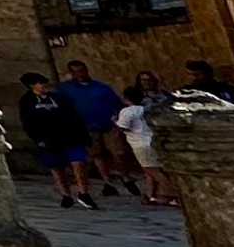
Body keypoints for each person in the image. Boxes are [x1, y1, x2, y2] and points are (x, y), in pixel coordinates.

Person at [16, 72, 97, 208]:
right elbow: (27, 122)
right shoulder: (27, 102)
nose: (43, 86)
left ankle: (84, 193)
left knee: (78, 163)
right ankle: (65, 194)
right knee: (57, 168)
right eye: (40, 83)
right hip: (48, 140)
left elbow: (74, 116)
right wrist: (37, 138)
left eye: (44, 83)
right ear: (32, 86)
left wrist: (84, 136)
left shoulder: (59, 99)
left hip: (70, 137)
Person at [59, 59, 127, 187]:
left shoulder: (101, 87)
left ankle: (125, 176)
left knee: (118, 152)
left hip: (109, 125)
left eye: (82, 70)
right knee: (96, 154)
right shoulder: (65, 89)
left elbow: (117, 104)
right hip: (87, 127)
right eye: (76, 72)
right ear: (72, 73)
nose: (80, 74)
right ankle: (107, 180)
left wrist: (119, 119)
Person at [114, 73, 176, 208]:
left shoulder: (127, 111)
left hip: (139, 144)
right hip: (150, 140)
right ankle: (150, 195)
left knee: (153, 170)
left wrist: (114, 122)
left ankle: (172, 194)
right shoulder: (144, 109)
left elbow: (123, 127)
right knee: (148, 169)